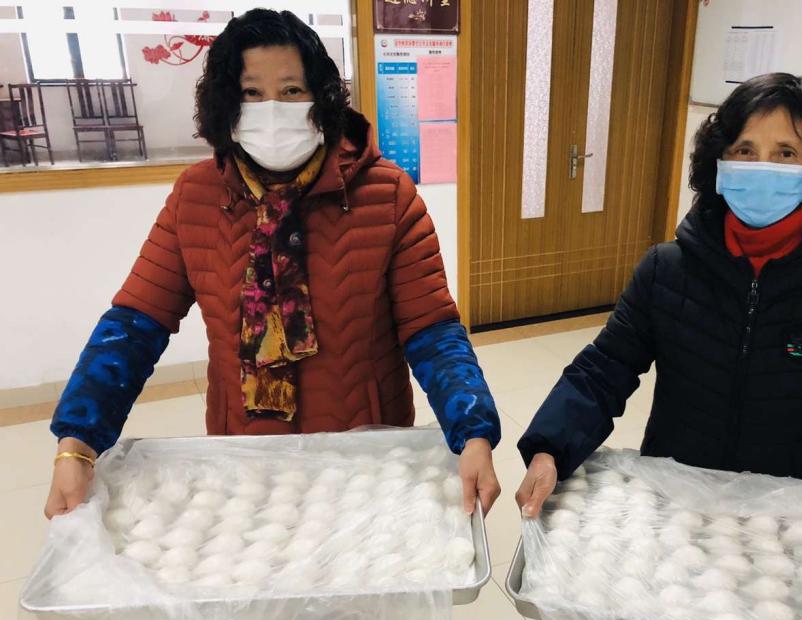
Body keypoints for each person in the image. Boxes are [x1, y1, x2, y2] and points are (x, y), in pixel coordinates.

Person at [515, 73, 802, 601]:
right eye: (745, 150)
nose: (764, 167)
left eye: (786, 153)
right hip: (677, 509)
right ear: (719, 163)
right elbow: (604, 370)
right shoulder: (667, 270)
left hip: (791, 523)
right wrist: (550, 448)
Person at [46, 9, 500, 518]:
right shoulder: (196, 197)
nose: (272, 110)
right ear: (226, 102)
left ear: (321, 96)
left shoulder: (387, 195)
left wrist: (472, 430)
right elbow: (134, 326)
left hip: (366, 452)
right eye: (251, 93)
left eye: (291, 90)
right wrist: (77, 441)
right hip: (246, 454)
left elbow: (432, 330)